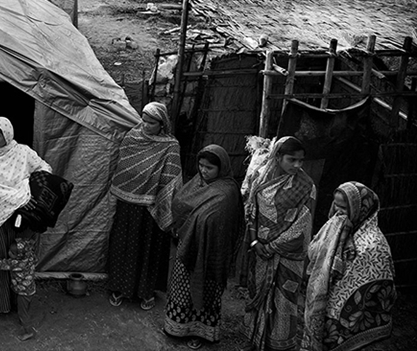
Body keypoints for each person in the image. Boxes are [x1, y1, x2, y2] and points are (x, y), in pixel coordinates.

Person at [0, 117, 51, 330]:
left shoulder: (23, 152)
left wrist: (30, 186)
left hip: (21, 217)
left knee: (18, 258)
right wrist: (16, 195)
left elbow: (44, 167)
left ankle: (16, 304)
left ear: (8, 134)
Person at [163, 144, 243, 349]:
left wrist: (198, 223)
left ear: (221, 168)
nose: (203, 171)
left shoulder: (227, 192)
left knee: (205, 291)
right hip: (188, 245)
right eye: (201, 166)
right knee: (182, 285)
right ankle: (177, 327)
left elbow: (223, 222)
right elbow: (181, 203)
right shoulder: (196, 183)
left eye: (209, 168)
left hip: (211, 253)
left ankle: (201, 333)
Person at [302, 182, 396, 351]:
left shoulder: (373, 245)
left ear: (361, 209)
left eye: (344, 208)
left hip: (358, 314)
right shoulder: (339, 228)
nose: (337, 211)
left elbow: (367, 286)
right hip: (332, 304)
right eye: (335, 204)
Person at [107, 101, 182, 311]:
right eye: (144, 120)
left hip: (151, 207)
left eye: (151, 123)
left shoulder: (170, 145)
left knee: (147, 248)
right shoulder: (132, 138)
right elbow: (123, 167)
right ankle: (118, 287)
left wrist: (158, 196)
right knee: (124, 246)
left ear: (162, 123)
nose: (146, 125)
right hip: (127, 205)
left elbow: (172, 178)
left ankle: (145, 291)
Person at [243, 136, 316, 351]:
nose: (297, 165)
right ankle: (253, 340)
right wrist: (256, 241)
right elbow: (251, 210)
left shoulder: (306, 186)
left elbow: (302, 224)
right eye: (291, 159)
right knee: (256, 292)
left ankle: (278, 345)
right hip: (259, 250)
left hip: (287, 256)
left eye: (301, 161)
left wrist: (273, 246)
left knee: (283, 302)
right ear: (277, 157)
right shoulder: (260, 177)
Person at [0, 225, 39, 341]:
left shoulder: (17, 263)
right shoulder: (29, 256)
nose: (9, 253)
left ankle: (29, 332)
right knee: (25, 307)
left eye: (12, 253)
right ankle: (24, 318)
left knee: (23, 313)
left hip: (23, 293)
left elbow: (2, 264)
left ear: (18, 256)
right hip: (30, 289)